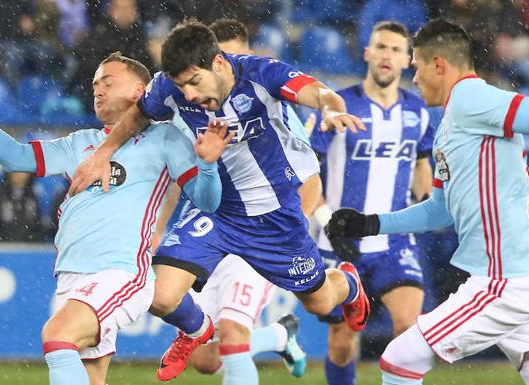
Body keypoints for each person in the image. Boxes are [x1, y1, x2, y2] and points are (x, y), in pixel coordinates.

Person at [67, 19, 370, 382]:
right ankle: (195, 331)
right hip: (217, 212)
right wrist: (103, 153)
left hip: (273, 217)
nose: (190, 95)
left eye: (195, 82)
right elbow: (138, 114)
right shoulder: (168, 89)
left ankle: (349, 284)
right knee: (160, 295)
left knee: (320, 300)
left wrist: (331, 109)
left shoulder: (263, 73)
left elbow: (319, 92)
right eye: (182, 86)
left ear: (220, 64)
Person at [0, 51, 231, 385]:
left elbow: (208, 201)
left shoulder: (164, 138)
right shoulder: (79, 143)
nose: (98, 88)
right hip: (71, 277)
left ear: (139, 91)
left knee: (58, 335)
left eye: (108, 81)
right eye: (95, 83)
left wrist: (208, 165)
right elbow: (15, 158)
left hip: (119, 273)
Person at [325, 19, 529, 385]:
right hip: (528, 275)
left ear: (439, 64)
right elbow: (439, 208)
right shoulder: (451, 124)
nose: (414, 78)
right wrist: (372, 223)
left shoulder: (471, 97)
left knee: (398, 359)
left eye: (417, 67)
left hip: (503, 282)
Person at [151, 18, 316, 385]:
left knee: (233, 335)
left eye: (234, 56)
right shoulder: (191, 108)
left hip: (261, 228)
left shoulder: (275, 106)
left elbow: (309, 178)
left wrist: (285, 231)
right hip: (213, 229)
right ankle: (279, 336)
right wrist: (161, 225)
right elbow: (186, 178)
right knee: (208, 360)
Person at [310, 21, 433, 385]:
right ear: (366, 52)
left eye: (396, 50)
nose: (386, 55)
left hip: (394, 240)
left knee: (409, 329)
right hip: (338, 242)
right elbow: (305, 171)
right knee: (343, 342)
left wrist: (428, 200)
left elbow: (421, 163)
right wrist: (324, 217)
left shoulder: (419, 111)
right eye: (381, 47)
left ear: (408, 59)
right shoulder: (336, 106)